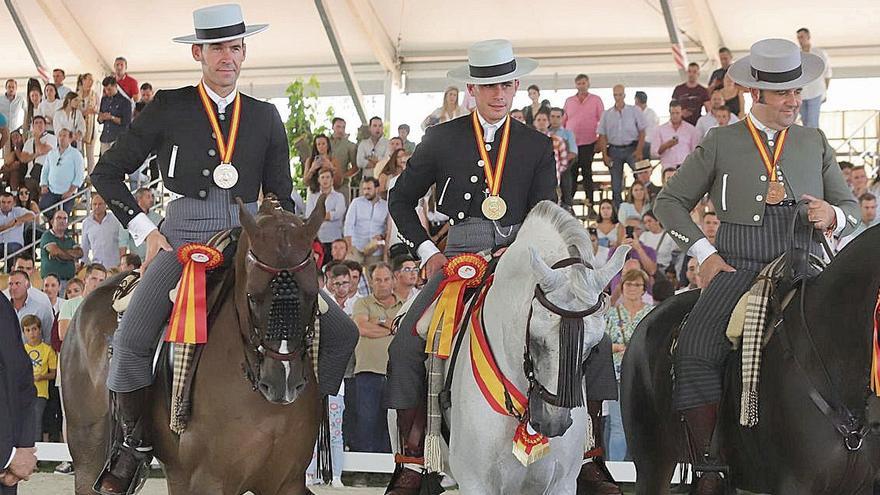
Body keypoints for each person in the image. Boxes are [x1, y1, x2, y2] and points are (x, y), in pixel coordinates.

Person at [89, 6, 356, 492]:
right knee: (129, 343)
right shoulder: (169, 106)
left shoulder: (265, 116)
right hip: (183, 240)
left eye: (235, 48)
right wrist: (146, 230)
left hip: (249, 244)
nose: (227, 58)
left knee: (341, 330)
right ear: (199, 53)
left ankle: (304, 422)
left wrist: (284, 237)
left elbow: (279, 193)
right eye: (217, 49)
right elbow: (106, 172)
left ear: (244, 52)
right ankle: (134, 446)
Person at [386, 39, 620, 494]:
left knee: (588, 334)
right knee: (406, 343)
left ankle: (589, 453)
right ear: (472, 88)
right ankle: (414, 458)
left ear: (516, 86)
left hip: (522, 260)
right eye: (489, 85)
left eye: (506, 85)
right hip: (459, 260)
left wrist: (526, 256)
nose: (499, 94)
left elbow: (547, 213)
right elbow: (400, 200)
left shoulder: (536, 144)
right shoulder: (441, 138)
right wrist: (427, 252)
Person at [653, 39, 859, 494]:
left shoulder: (814, 140)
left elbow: (850, 206)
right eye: (784, 92)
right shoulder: (721, 141)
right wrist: (704, 255)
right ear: (755, 94)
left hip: (808, 268)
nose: (794, 100)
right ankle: (708, 464)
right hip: (738, 269)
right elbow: (668, 202)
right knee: (694, 349)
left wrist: (834, 215)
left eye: (797, 90)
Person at [351, 262, 401, 453]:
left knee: (392, 421)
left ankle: (388, 468)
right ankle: (363, 470)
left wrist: (378, 321)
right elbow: (362, 328)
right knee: (366, 421)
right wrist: (390, 329)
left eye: (386, 279)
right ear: (371, 282)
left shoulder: (404, 305)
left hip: (395, 374)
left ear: (393, 281)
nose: (382, 284)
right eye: (378, 280)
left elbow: (403, 330)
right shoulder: (362, 303)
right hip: (367, 371)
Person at [604, 268, 653, 461]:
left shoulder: (651, 313)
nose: (632, 288)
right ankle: (616, 471)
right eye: (628, 284)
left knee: (642, 423)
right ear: (622, 287)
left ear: (644, 289)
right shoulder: (612, 314)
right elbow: (600, 344)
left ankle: (642, 469)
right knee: (618, 425)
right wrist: (615, 347)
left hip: (644, 376)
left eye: (637, 285)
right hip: (617, 375)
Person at [0, 292, 38, 494]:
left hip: (8, 470)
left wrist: (23, 445)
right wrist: (5, 455)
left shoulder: (2, 304)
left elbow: (20, 373)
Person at [597, 85, 647, 206]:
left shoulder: (634, 111)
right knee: (616, 184)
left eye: (620, 94)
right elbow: (602, 136)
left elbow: (642, 131)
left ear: (624, 95)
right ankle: (618, 212)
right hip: (614, 150)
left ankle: (640, 206)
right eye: (615, 95)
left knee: (641, 177)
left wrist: (639, 150)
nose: (618, 97)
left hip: (632, 148)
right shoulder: (606, 114)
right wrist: (604, 155)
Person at [563, 74, 604, 208]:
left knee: (587, 172)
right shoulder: (569, 101)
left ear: (588, 84)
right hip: (572, 143)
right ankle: (569, 205)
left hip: (589, 141)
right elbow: (564, 121)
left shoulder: (596, 100)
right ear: (576, 85)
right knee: (572, 173)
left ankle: (591, 204)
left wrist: (600, 141)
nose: (582, 85)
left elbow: (602, 121)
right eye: (579, 83)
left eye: (584, 83)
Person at [21, 314, 56, 443]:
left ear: (40, 330)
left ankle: (35, 454)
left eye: (34, 329)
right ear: (24, 332)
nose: (32, 333)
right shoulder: (21, 350)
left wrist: (42, 377)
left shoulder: (48, 350)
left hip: (40, 393)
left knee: (36, 422)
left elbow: (53, 374)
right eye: (28, 330)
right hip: (22, 392)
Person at [305, 167, 346, 266]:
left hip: (334, 239)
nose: (325, 180)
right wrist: (328, 215)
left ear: (332, 180)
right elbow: (309, 215)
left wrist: (319, 215)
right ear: (319, 180)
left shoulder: (339, 197)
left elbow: (338, 213)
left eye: (327, 177)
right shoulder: (312, 196)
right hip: (319, 239)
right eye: (322, 177)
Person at [39, 129, 85, 215]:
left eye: (64, 136)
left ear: (70, 139)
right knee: (43, 206)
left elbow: (79, 175)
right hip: (52, 190)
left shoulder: (76, 154)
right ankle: (53, 223)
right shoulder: (51, 153)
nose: (62, 138)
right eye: (60, 135)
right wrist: (43, 184)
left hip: (67, 192)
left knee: (63, 213)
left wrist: (70, 191)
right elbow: (45, 170)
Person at [344, 178, 388, 267]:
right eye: (364, 189)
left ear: (377, 189)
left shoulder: (385, 206)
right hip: (356, 247)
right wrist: (349, 247)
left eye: (369, 189)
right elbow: (349, 225)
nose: (366, 192)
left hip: (375, 249)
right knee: (350, 273)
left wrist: (382, 236)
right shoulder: (356, 203)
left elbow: (388, 227)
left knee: (374, 277)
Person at [796, 28, 832, 129]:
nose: (800, 39)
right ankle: (808, 143)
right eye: (798, 37)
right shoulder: (797, 55)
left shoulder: (819, 53)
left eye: (802, 37)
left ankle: (813, 144)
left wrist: (825, 91)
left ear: (808, 37)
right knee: (805, 122)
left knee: (812, 122)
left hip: (816, 92)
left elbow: (827, 73)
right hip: (801, 94)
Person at [649, 100, 700, 170]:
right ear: (669, 113)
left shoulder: (691, 130)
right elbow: (654, 153)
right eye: (672, 113)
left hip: (685, 167)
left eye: (677, 113)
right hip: (668, 168)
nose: (675, 116)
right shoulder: (660, 130)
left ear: (682, 112)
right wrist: (666, 146)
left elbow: (695, 152)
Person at [81, 193, 123, 269]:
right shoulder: (86, 223)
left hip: (115, 266)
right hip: (97, 266)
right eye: (94, 204)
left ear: (105, 205)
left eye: (100, 204)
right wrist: (85, 264)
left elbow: (123, 241)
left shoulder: (115, 220)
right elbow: (85, 246)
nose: (97, 207)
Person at [39, 209, 82, 285]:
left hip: (69, 282)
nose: (62, 221)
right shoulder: (47, 236)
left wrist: (61, 252)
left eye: (65, 218)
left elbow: (80, 253)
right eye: (59, 218)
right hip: (51, 284)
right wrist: (72, 255)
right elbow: (56, 251)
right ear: (52, 222)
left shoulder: (69, 239)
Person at [548, 107, 579, 207]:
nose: (555, 119)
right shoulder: (545, 132)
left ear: (562, 118)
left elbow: (573, 152)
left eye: (558, 117)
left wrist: (560, 163)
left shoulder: (568, 133)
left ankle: (567, 206)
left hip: (564, 167)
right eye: (552, 116)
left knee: (566, 180)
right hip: (546, 167)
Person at [19, 116, 57, 192]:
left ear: (45, 126)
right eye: (36, 123)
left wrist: (36, 137)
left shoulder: (51, 138)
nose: (38, 125)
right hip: (31, 176)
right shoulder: (28, 142)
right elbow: (23, 159)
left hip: (46, 175)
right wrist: (36, 154)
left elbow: (41, 150)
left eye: (41, 123)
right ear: (33, 126)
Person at [123, 188, 161, 261]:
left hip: (153, 260)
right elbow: (123, 241)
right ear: (139, 199)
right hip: (135, 261)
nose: (151, 200)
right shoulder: (129, 218)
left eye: (152, 197)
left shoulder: (158, 218)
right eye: (148, 197)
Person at [97, 76, 132, 155]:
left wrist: (111, 117)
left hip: (117, 138)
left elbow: (126, 122)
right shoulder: (104, 100)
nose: (107, 92)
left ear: (115, 86)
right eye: (105, 89)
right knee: (104, 163)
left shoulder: (125, 102)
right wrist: (101, 118)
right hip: (105, 137)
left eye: (109, 89)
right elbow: (99, 119)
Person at [328, 117, 359, 204]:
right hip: (324, 184)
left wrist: (342, 176)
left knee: (344, 212)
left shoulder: (351, 146)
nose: (341, 130)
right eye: (338, 127)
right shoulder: (325, 143)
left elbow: (356, 167)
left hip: (343, 186)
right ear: (332, 127)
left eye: (343, 127)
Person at [672, 62, 710, 126]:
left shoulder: (703, 90)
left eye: (694, 72)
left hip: (696, 125)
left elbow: (709, 110)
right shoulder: (678, 89)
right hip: (680, 124)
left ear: (698, 74)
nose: (691, 74)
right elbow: (672, 107)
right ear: (687, 73)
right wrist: (680, 113)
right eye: (689, 71)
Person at [75, 73, 100, 172]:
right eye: (89, 79)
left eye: (92, 80)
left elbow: (98, 109)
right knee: (80, 154)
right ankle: (80, 178)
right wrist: (85, 112)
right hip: (79, 127)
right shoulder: (77, 95)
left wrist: (94, 111)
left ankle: (90, 180)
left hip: (91, 128)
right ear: (83, 81)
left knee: (90, 156)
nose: (91, 82)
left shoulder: (95, 95)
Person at [0, 191, 34, 261]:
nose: (6, 205)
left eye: (9, 202)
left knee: (14, 249)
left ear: (13, 203)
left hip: (15, 244)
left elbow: (32, 215)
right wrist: (8, 226)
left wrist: (17, 220)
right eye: (3, 202)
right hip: (0, 244)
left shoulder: (18, 211)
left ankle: (10, 270)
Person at [634, 91, 659, 157]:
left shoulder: (651, 115)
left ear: (637, 101)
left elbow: (651, 135)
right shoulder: (634, 113)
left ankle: (643, 166)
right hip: (637, 142)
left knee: (643, 146)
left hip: (647, 143)